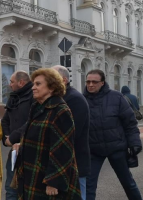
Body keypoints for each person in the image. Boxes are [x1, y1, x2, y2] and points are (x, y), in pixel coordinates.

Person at [10, 68, 81, 200]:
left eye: (38, 84)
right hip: (33, 173)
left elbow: (62, 149)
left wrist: (53, 181)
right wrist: (22, 144)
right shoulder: (37, 107)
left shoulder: (60, 110)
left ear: (52, 88)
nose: (33, 88)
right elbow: (37, 136)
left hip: (47, 179)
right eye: (33, 84)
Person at [83, 69, 142, 200]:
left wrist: (135, 143)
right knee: (89, 187)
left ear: (102, 83)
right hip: (93, 151)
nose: (90, 84)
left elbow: (130, 123)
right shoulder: (82, 100)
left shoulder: (116, 97)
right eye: (88, 81)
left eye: (94, 82)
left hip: (116, 148)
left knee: (128, 183)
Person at [52, 65, 91, 200]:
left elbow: (71, 134)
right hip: (61, 163)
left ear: (64, 80)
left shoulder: (74, 99)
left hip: (75, 162)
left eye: (51, 78)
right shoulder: (57, 98)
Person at [1, 70, 33, 200]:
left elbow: (31, 122)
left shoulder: (33, 97)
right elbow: (5, 120)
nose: (9, 85)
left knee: (27, 188)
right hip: (14, 150)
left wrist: (13, 137)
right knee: (10, 187)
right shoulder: (14, 96)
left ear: (21, 82)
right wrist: (6, 139)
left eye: (12, 81)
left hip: (29, 149)